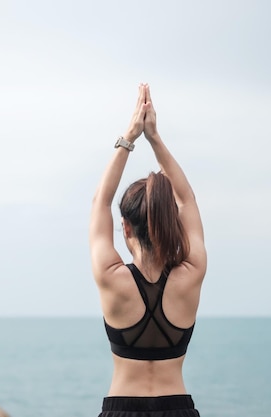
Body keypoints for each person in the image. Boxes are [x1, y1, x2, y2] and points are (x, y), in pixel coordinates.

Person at [89, 84, 207, 417]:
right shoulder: (192, 272)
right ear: (174, 222)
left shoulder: (111, 278)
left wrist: (131, 136)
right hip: (178, 409)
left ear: (125, 227)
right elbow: (187, 199)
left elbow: (100, 200)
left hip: (121, 409)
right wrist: (155, 138)